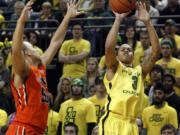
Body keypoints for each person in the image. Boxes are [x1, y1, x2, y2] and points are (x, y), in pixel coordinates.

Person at [6, 0, 84, 134]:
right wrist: (21, 22)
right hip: (23, 128)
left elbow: (56, 42)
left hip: (37, 129)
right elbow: (16, 51)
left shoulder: (40, 66)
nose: (38, 49)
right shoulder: (23, 70)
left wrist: (67, 18)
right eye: (32, 47)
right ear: (27, 53)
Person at [99, 2, 160, 135]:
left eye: (129, 50)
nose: (126, 51)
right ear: (117, 56)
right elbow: (109, 47)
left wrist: (148, 23)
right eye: (123, 50)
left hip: (132, 123)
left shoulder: (140, 72)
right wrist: (118, 20)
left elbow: (155, 52)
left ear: (134, 55)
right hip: (113, 120)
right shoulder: (113, 68)